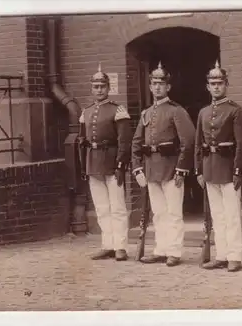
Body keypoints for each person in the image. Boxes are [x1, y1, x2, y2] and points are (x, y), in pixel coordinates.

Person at [131, 62, 195, 267]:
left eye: (161, 83)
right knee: (158, 212)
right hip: (151, 168)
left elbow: (188, 141)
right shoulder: (146, 113)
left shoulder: (176, 111)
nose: (157, 87)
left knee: (174, 212)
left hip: (171, 168)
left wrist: (181, 169)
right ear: (150, 87)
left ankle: (174, 251)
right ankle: (161, 249)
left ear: (168, 87)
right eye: (154, 83)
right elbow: (136, 142)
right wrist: (137, 167)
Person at [194, 61, 242, 272]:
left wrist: (238, 170)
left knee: (232, 215)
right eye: (212, 83)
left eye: (220, 83)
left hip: (228, 169)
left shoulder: (235, 111)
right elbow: (198, 144)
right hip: (210, 168)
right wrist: (199, 170)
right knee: (217, 215)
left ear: (226, 84)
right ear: (207, 86)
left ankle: (234, 256)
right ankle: (222, 255)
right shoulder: (203, 112)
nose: (216, 87)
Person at [78, 63, 132, 261]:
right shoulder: (86, 112)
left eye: (102, 86)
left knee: (117, 207)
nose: (99, 90)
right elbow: (81, 142)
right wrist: (84, 166)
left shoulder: (117, 110)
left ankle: (120, 247)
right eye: (95, 86)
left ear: (108, 88)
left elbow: (124, 141)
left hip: (112, 163)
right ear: (91, 88)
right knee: (102, 208)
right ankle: (107, 244)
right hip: (94, 164)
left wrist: (120, 164)